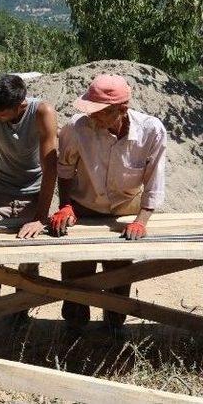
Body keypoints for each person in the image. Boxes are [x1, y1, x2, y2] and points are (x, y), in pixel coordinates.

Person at [51, 74, 167, 331]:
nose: (91, 115)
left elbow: (154, 180)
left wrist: (141, 221)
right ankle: (74, 331)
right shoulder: (76, 128)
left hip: (125, 213)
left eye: (99, 111)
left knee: (118, 274)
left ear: (121, 109)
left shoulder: (151, 131)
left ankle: (113, 329)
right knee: (76, 275)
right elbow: (65, 170)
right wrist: (65, 205)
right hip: (84, 209)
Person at [0, 74, 58, 309]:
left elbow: (51, 167)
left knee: (28, 260)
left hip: (35, 192)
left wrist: (40, 217)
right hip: (2, 190)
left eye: (1, 114)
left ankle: (21, 314)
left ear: (20, 106)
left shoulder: (42, 112)